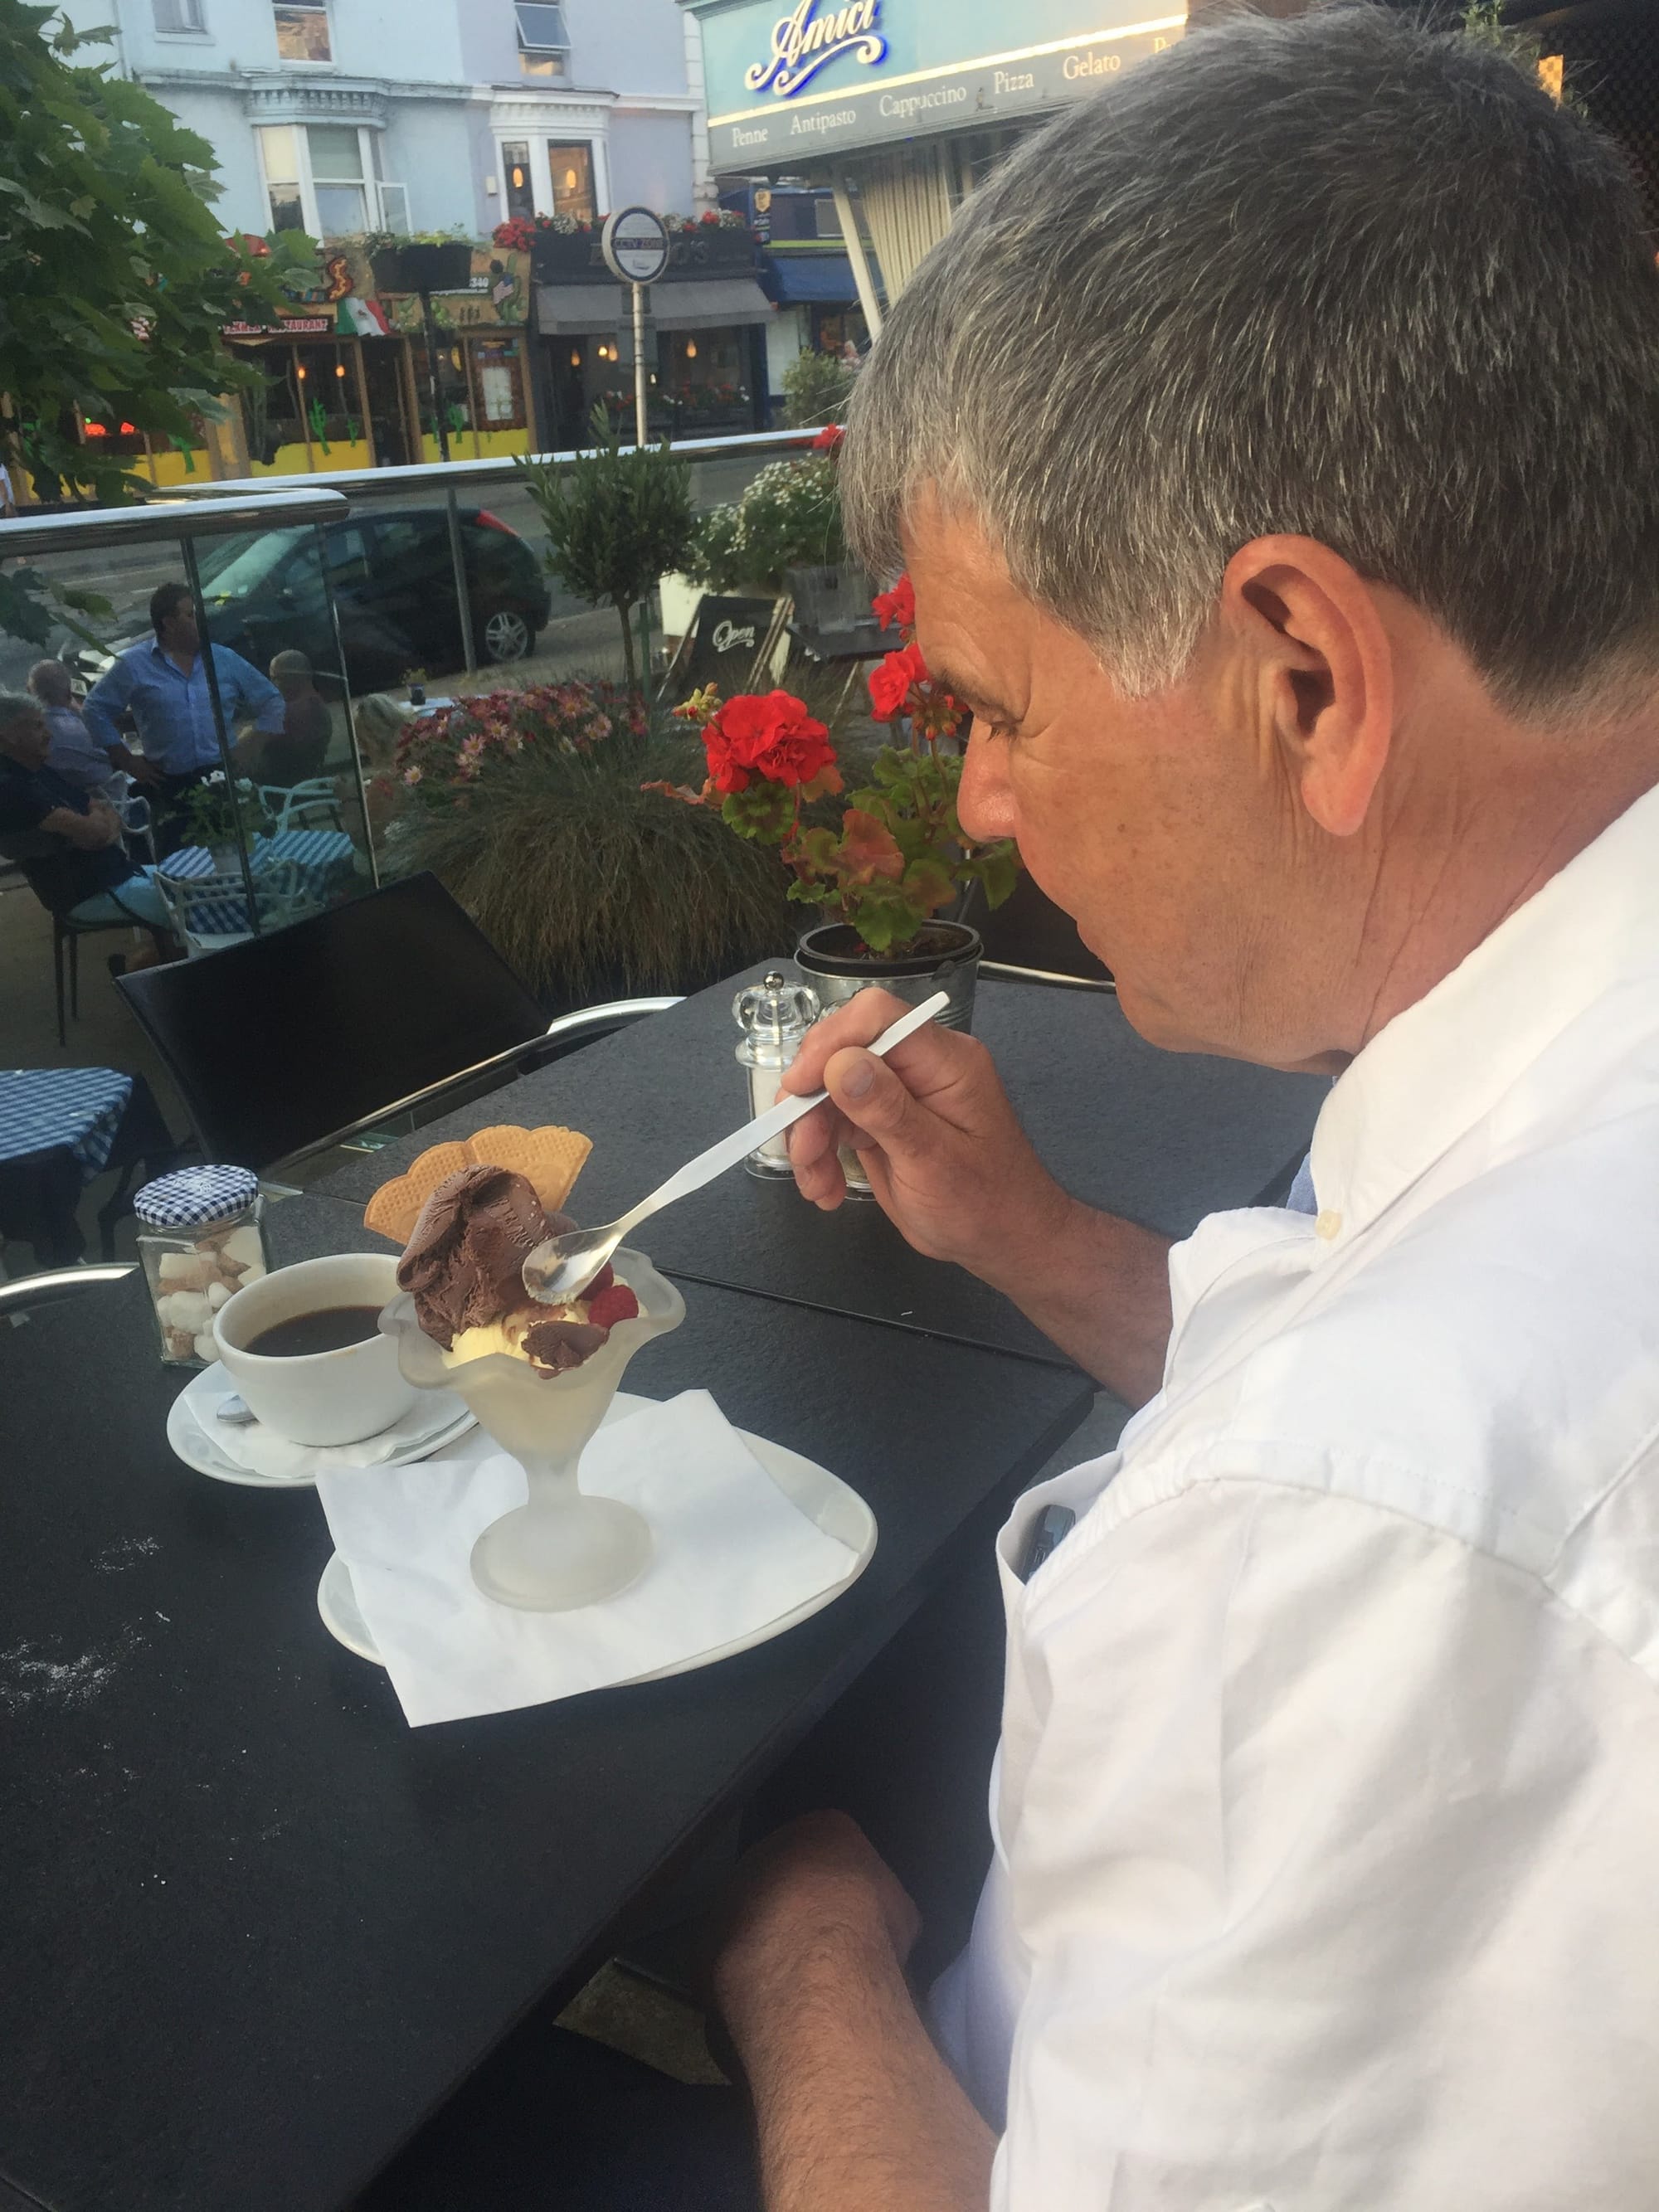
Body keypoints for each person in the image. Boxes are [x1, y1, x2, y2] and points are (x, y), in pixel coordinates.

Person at [369, 11, 1659, 2210]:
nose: (964, 797)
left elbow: (1391, 1482)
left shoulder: (1351, 1534)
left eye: (996, 706)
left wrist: (798, 1948)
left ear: (1307, 682)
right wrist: (1037, 1235)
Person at [80, 580, 284, 850]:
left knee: (243, 851)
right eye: (190, 615)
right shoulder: (135, 664)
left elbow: (272, 702)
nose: (199, 620)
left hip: (221, 774)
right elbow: (95, 709)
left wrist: (252, 745)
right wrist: (127, 760)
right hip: (169, 783)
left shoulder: (222, 659)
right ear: (168, 623)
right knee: (182, 859)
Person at [0, 691, 172, 962]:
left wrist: (98, 826)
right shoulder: (11, 787)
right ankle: (151, 977)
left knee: (194, 880)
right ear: (9, 735)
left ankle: (148, 970)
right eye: (37, 726)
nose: (49, 733)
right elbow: (96, 829)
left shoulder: (36, 769)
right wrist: (98, 827)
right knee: (190, 902)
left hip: (115, 874)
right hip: (87, 893)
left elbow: (101, 808)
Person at [27, 659, 124, 802]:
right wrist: (83, 713)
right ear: (69, 693)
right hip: (113, 803)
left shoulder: (27, 732)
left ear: (29, 692)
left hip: (64, 805)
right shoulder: (80, 730)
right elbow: (122, 753)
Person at [236, 649, 331, 787]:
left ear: (291, 679)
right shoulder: (319, 706)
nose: (271, 683)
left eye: (274, 678)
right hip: (306, 781)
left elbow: (243, 746)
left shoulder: (288, 713)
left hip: (276, 786)